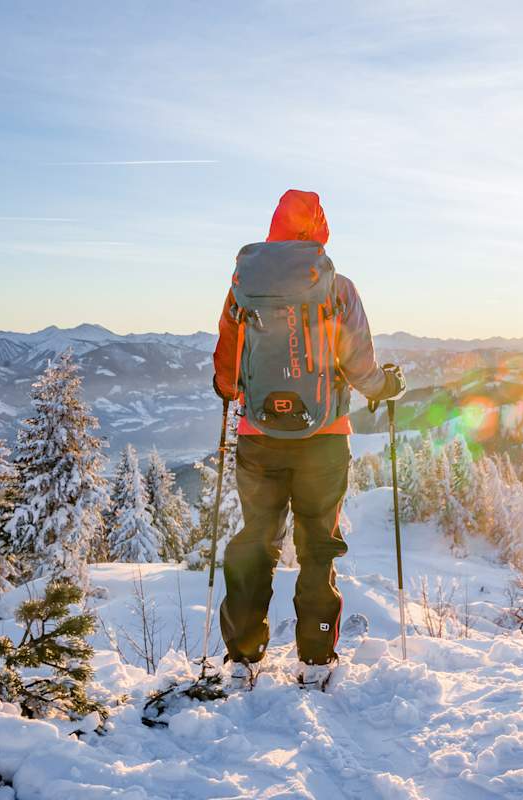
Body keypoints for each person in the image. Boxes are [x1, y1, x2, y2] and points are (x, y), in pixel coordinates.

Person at [211, 189, 404, 686]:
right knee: (318, 545)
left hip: (258, 437)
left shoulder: (244, 289)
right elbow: (361, 369)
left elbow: (227, 375)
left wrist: (236, 391)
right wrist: (389, 385)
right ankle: (316, 660)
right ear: (320, 229)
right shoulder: (338, 288)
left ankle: (243, 660)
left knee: (256, 540)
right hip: (323, 439)